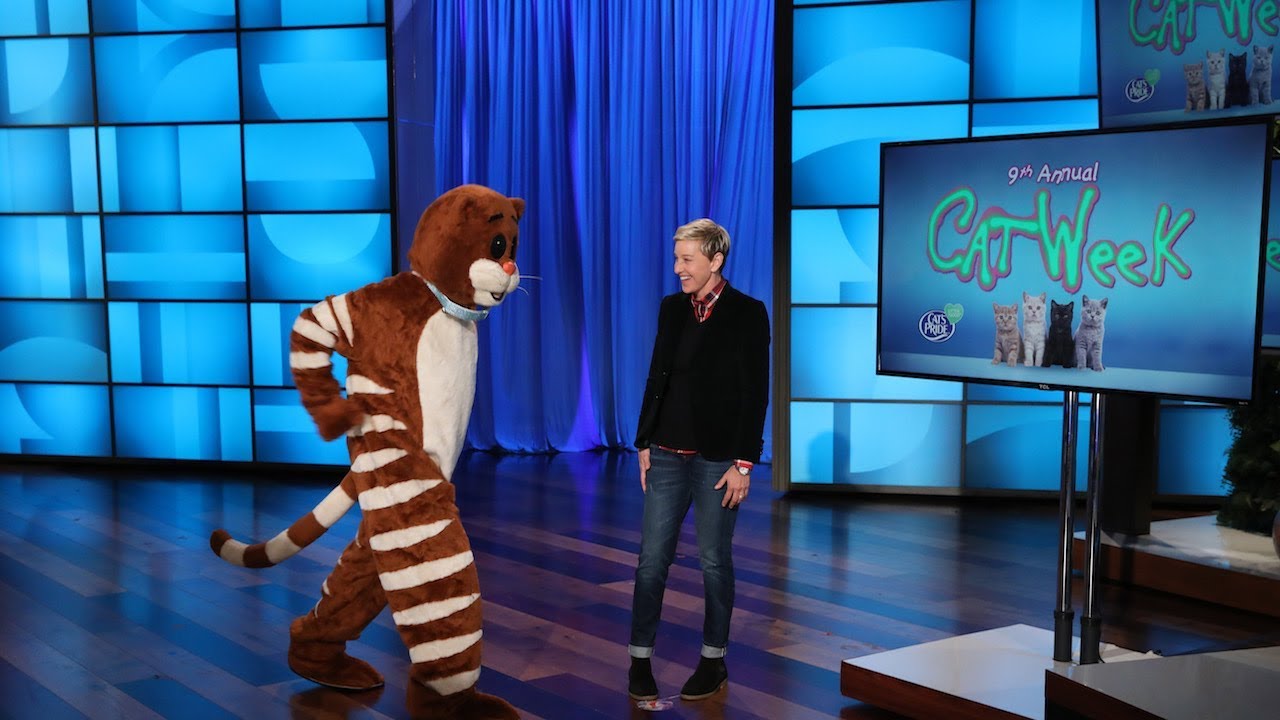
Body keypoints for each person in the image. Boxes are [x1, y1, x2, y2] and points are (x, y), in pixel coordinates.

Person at [627, 218, 771, 702]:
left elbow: (755, 394)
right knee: (651, 562)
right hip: (665, 454)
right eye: (677, 259)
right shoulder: (672, 309)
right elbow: (657, 377)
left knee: (714, 561)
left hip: (717, 462)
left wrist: (745, 463)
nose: (678, 268)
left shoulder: (748, 313)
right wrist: (643, 442)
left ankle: (713, 660)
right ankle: (639, 660)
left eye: (686, 259)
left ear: (716, 260)